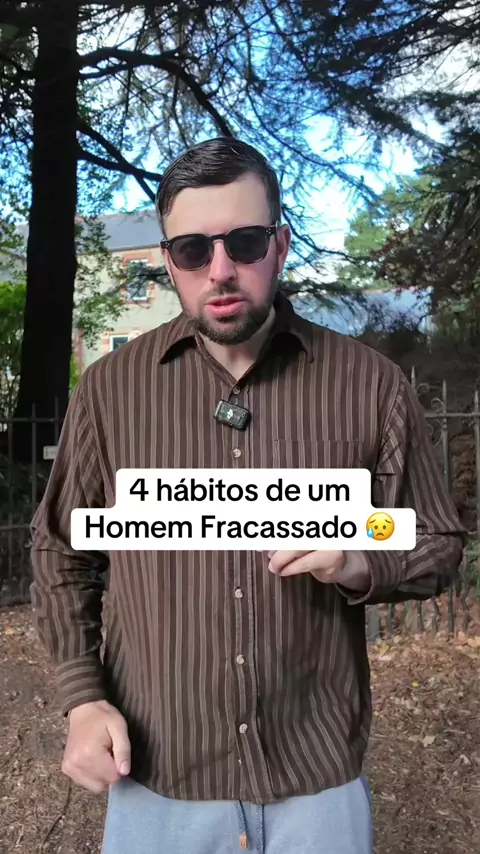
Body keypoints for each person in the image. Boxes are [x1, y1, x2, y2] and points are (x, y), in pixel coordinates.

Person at [30, 137, 465, 854]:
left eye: (246, 241)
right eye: (193, 249)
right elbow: (61, 547)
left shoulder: (369, 384)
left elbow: (434, 540)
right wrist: (83, 697)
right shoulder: (110, 391)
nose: (221, 269)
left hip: (314, 773)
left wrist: (361, 556)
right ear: (169, 260)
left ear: (280, 245)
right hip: (159, 772)